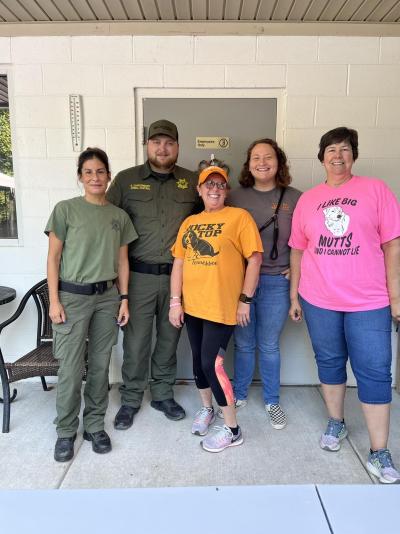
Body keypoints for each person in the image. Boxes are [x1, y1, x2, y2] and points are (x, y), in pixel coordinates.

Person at [289, 127, 400, 484]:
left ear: (353, 155)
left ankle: (379, 451)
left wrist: (396, 297)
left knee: (374, 371)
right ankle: (336, 423)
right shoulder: (308, 200)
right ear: (321, 157)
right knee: (330, 362)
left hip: (369, 302)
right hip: (319, 299)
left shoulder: (376, 191)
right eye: (331, 150)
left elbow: (392, 247)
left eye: (345, 149)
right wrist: (295, 295)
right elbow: (298, 250)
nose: (338, 156)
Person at [46, 147, 137, 462]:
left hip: (107, 298)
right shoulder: (65, 210)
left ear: (109, 176)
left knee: (100, 366)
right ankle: (66, 431)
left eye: (100, 171)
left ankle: (95, 425)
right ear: (80, 178)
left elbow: (122, 262)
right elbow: (53, 258)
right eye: (89, 172)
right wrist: (54, 300)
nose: (95, 177)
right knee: (71, 369)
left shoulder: (118, 216)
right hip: (71, 297)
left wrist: (123, 298)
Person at [106, 120, 198, 429]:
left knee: (169, 339)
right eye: (156, 142)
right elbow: (109, 224)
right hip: (138, 277)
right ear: (147, 145)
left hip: (178, 278)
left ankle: (161, 393)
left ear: (177, 146)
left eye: (169, 142)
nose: (162, 148)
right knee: (136, 342)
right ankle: (131, 398)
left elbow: (209, 222)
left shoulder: (192, 181)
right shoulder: (126, 180)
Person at [169, 165, 263, 453]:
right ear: (199, 190)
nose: (214, 189)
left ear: (226, 190)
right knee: (198, 361)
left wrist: (245, 300)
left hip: (223, 307)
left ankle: (233, 429)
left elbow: (255, 259)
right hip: (194, 306)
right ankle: (207, 409)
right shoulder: (189, 223)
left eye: (220, 184)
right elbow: (179, 263)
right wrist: (175, 301)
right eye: (208, 184)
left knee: (213, 364)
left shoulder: (239, 217)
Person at [227, 139, 301, 429]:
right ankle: (240, 394)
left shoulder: (295, 198)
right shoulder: (234, 196)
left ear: (279, 162)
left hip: (275, 282)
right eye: (255, 157)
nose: (262, 162)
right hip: (241, 283)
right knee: (243, 343)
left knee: (269, 345)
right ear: (248, 164)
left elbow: (308, 240)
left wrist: (297, 271)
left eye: (268, 157)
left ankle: (272, 400)